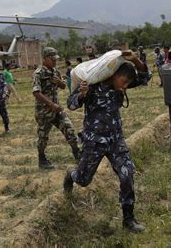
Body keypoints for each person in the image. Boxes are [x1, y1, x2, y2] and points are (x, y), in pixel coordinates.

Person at [64, 50, 151, 233]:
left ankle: (129, 219)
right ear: (115, 75)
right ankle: (71, 175)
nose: (126, 87)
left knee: (127, 175)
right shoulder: (92, 86)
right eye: (124, 82)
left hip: (116, 140)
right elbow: (71, 104)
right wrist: (82, 94)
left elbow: (145, 76)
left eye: (128, 83)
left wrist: (135, 59)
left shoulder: (119, 85)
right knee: (84, 179)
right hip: (94, 141)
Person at [32, 47, 80, 170]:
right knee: (43, 137)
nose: (54, 62)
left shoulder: (55, 71)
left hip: (57, 110)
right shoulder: (38, 73)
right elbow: (36, 93)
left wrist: (59, 81)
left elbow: (63, 86)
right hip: (44, 112)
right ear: (44, 58)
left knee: (69, 129)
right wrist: (51, 104)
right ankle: (42, 160)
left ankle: (77, 153)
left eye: (55, 59)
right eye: (52, 59)